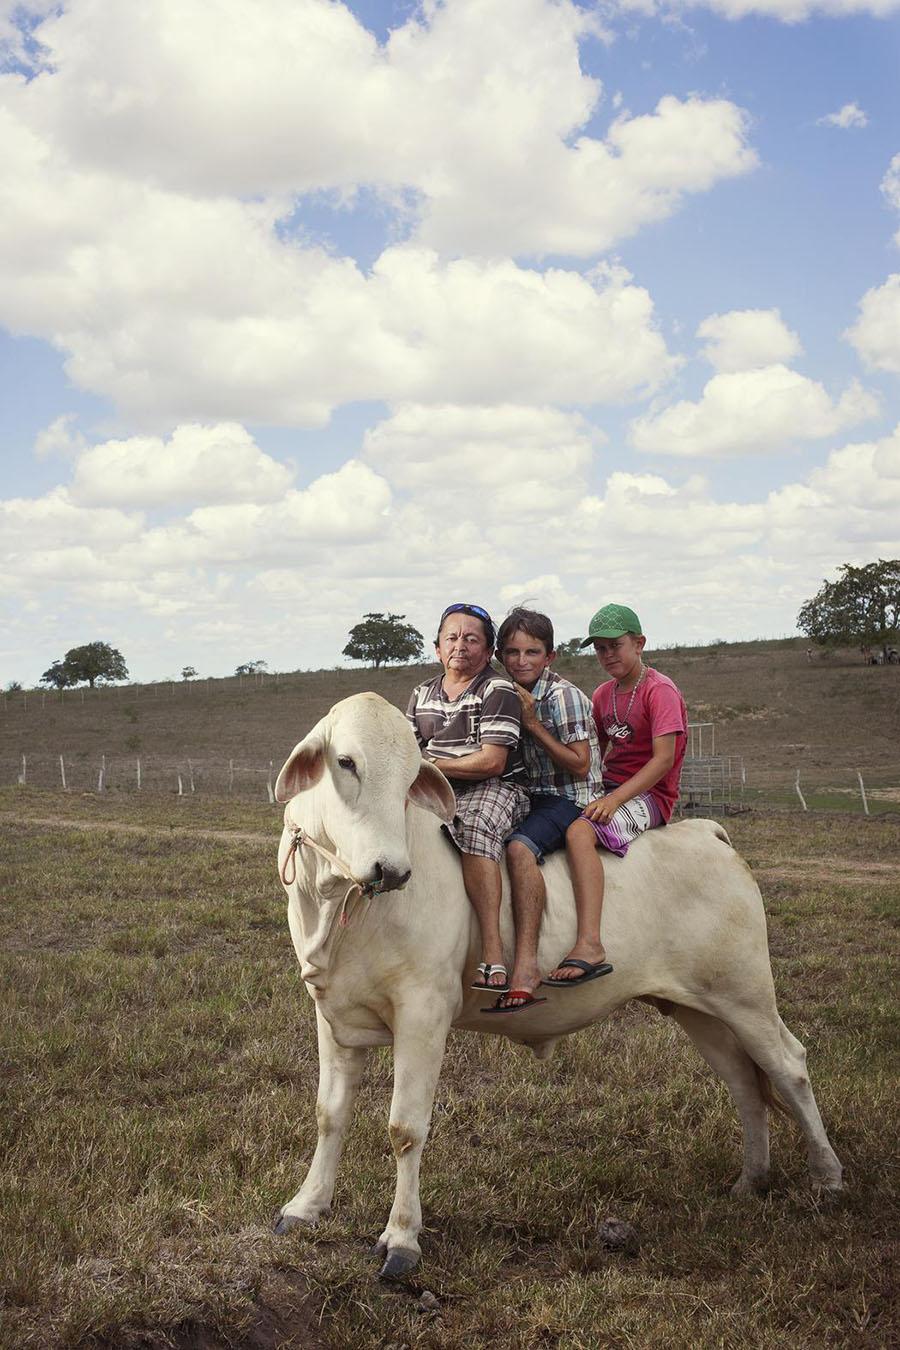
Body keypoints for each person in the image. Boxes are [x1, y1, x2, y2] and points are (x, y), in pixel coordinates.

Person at [550, 603, 687, 985]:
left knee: (580, 832)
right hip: (609, 785)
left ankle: (590, 943)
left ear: (639, 643)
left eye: (616, 646)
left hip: (651, 795)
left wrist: (613, 801)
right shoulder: (603, 694)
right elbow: (594, 754)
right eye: (600, 648)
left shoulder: (659, 691)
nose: (608, 655)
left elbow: (663, 760)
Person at [488, 607, 607, 1013]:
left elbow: (580, 764)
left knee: (519, 848)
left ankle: (526, 966)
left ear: (549, 656)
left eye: (532, 652)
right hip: (531, 792)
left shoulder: (562, 696)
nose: (522, 661)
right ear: (501, 656)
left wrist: (533, 724)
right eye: (512, 652)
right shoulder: (505, 691)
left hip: (570, 795)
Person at [406, 603, 529, 993]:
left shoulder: (497, 689)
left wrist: (431, 765)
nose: (460, 645)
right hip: (438, 783)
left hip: (496, 787)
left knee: (473, 827)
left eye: (472, 639)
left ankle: (492, 950)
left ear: (489, 651)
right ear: (437, 648)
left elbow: (492, 761)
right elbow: (407, 751)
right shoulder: (422, 693)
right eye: (452, 637)